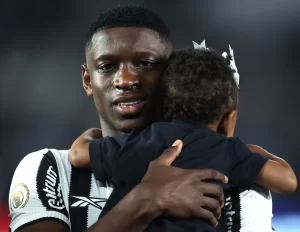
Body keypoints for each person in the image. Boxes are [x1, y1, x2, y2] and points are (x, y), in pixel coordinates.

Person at [8, 6, 228, 232]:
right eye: (107, 66)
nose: (125, 80)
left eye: (146, 63)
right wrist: (146, 200)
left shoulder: (222, 175)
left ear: (170, 75)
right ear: (87, 80)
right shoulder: (50, 168)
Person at [69, 47, 297, 232]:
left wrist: (95, 134)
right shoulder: (228, 151)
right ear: (229, 118)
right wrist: (254, 150)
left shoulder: (141, 140)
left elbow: (77, 154)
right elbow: (287, 181)